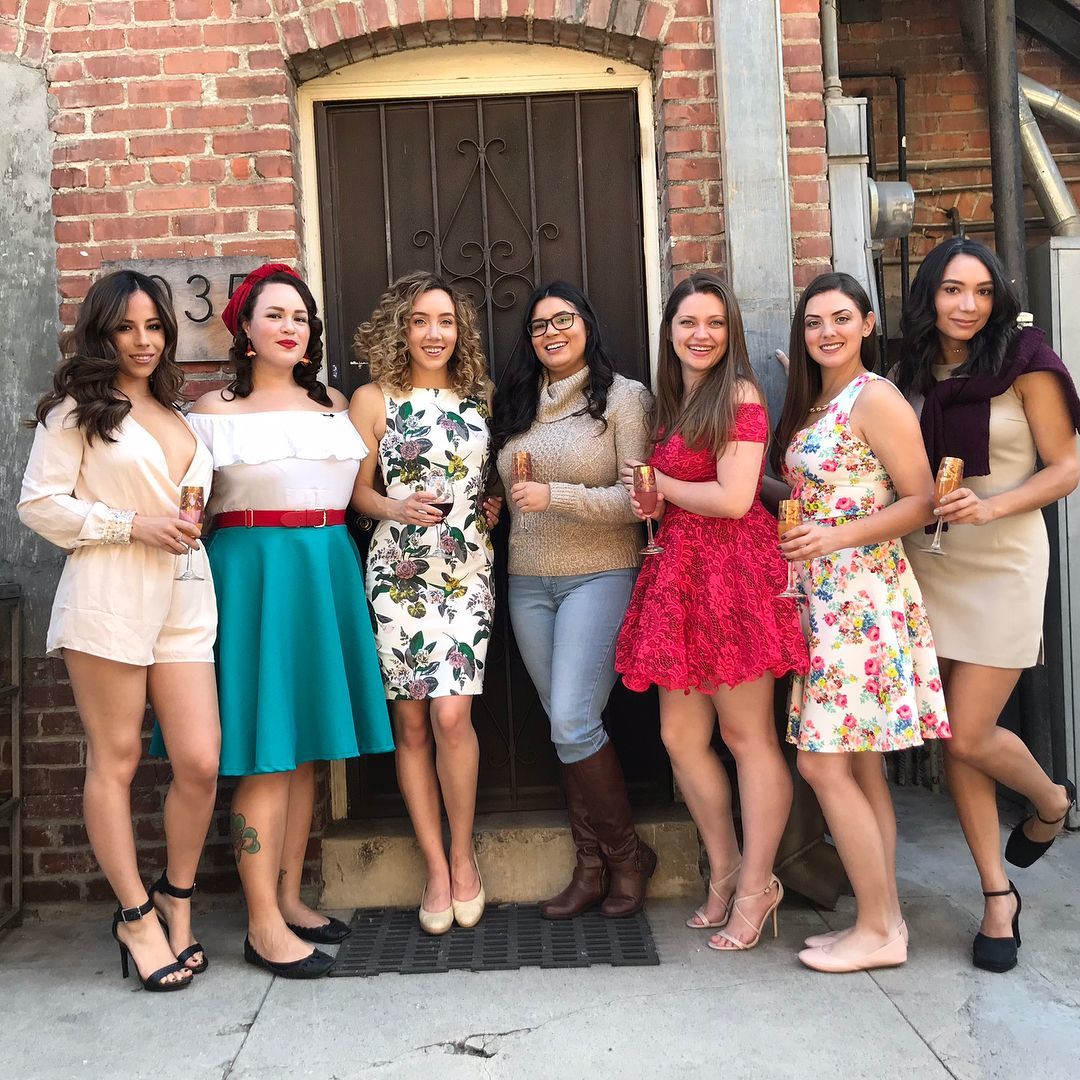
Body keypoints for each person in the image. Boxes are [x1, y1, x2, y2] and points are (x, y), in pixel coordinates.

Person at [161, 263, 394, 979]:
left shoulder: (336, 405)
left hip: (325, 569)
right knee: (268, 750)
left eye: (300, 316)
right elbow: (184, 507)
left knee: (304, 751)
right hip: (254, 576)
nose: (291, 327)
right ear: (245, 329)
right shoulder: (210, 413)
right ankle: (261, 924)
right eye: (275, 315)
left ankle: (290, 899)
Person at [19, 270, 219, 991]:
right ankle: (135, 917)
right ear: (101, 334)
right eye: (126, 327)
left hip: (185, 599)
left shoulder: (177, 411)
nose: (142, 340)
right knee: (118, 757)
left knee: (199, 761)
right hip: (109, 596)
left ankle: (176, 897)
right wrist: (132, 524)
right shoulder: (76, 411)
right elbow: (39, 505)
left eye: (154, 326)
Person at [894, 238, 1080, 973]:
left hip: (1003, 558)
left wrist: (993, 504)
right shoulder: (911, 370)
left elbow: (1066, 466)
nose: (967, 305)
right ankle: (997, 894)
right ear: (929, 296)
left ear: (998, 296)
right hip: (932, 560)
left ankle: (1052, 801)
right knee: (954, 735)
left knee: (970, 732)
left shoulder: (1025, 362)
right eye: (951, 289)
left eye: (980, 290)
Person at [615, 273, 806, 951]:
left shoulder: (740, 394)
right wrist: (652, 501)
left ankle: (757, 884)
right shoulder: (677, 400)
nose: (701, 335)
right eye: (689, 322)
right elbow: (679, 495)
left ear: (731, 333)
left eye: (715, 323)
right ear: (669, 332)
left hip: (733, 575)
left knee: (747, 736)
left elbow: (733, 498)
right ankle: (724, 869)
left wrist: (657, 482)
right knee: (680, 737)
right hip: (682, 574)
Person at [773, 271, 951, 973]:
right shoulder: (820, 400)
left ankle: (876, 929)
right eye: (814, 322)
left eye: (841, 318)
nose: (827, 332)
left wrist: (833, 537)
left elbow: (922, 501)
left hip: (862, 597)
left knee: (821, 763)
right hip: (826, 596)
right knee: (862, 767)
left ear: (868, 323)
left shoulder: (876, 397)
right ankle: (886, 921)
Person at [490, 281, 656, 919]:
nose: (551, 333)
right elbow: (506, 486)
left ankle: (627, 858)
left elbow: (640, 503)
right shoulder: (517, 403)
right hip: (528, 580)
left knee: (572, 720)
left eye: (563, 320)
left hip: (600, 573)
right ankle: (592, 867)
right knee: (565, 724)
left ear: (587, 325)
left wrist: (555, 496)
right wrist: (497, 504)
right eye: (539, 326)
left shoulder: (624, 398)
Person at [351, 271, 496, 935]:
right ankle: (436, 868)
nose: (434, 334)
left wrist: (492, 505)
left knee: (452, 717)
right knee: (411, 726)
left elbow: (485, 480)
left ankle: (464, 857)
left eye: (445, 321)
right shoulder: (373, 398)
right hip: (399, 573)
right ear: (401, 329)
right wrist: (396, 506)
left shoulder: (479, 395)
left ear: (459, 330)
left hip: (466, 570)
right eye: (420, 321)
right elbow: (357, 494)